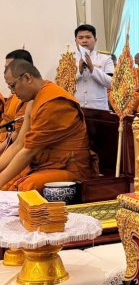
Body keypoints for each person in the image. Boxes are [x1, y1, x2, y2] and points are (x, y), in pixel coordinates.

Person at [0, 59, 98, 191]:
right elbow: (18, 145)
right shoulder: (33, 102)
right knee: (7, 184)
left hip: (68, 170)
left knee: (25, 187)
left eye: (13, 86)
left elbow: (29, 151)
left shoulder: (53, 103)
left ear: (27, 78)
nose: (12, 92)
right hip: (43, 166)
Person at [0, 50, 33, 153]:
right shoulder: (15, 93)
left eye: (8, 68)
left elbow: (15, 139)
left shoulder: (28, 97)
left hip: (8, 144)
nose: (5, 72)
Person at [74, 24, 114, 110]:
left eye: (88, 37)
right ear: (75, 41)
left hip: (98, 108)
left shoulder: (105, 59)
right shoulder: (69, 59)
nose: (84, 41)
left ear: (95, 40)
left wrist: (93, 69)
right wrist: (79, 71)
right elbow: (62, 84)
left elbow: (111, 83)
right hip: (75, 107)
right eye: (80, 38)